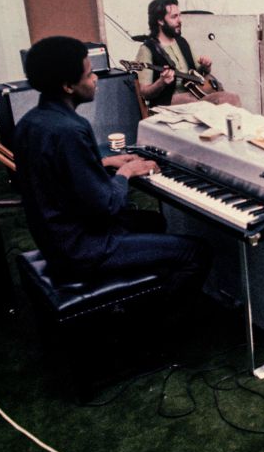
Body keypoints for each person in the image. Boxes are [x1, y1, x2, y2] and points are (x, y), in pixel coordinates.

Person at [14, 36, 210, 300]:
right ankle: (160, 314)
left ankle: (143, 289)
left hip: (55, 239)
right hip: (82, 250)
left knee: (154, 221)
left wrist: (104, 162)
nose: (95, 79)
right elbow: (108, 205)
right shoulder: (70, 130)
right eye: (88, 74)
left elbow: (55, 174)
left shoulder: (30, 122)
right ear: (68, 86)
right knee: (196, 252)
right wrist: (127, 172)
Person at [135, 0, 241, 108]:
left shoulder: (182, 42)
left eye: (179, 15)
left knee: (231, 98)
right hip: (168, 103)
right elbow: (144, 92)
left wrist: (206, 66)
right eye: (174, 17)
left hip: (194, 97)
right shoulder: (147, 49)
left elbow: (199, 73)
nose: (179, 20)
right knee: (227, 100)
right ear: (160, 21)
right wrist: (161, 82)